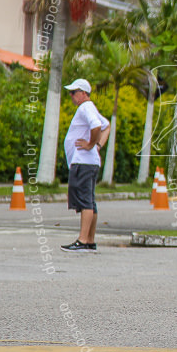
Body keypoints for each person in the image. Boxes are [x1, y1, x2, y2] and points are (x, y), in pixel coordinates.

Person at [60, 78, 110, 253]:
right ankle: (89, 240)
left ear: (82, 93)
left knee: (85, 202)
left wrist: (90, 144)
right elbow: (106, 126)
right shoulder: (91, 108)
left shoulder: (86, 107)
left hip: (84, 161)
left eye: (73, 93)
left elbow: (97, 126)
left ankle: (82, 240)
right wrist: (98, 146)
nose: (71, 96)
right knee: (89, 201)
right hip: (88, 161)